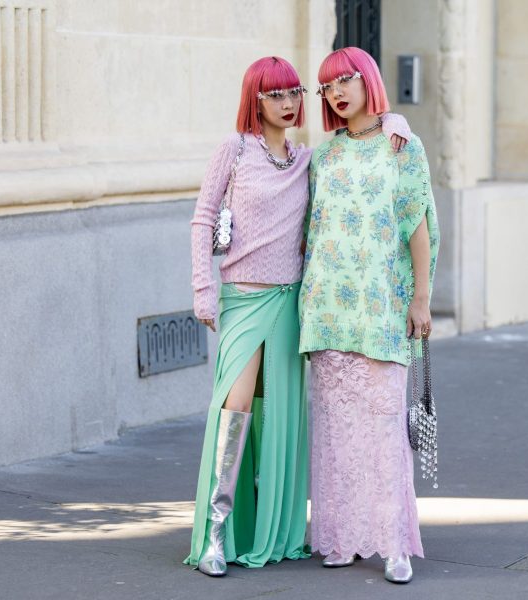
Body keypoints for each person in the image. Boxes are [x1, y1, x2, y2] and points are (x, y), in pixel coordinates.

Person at [184, 55, 410, 577]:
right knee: (236, 402)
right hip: (243, 299)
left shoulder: (309, 159)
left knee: (280, 417)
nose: (288, 104)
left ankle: (273, 532)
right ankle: (215, 535)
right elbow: (202, 218)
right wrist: (202, 289)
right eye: (275, 95)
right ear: (255, 99)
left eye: (294, 93)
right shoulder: (235, 149)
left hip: (292, 305)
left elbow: (368, 135)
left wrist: (395, 119)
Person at [298, 47, 440, 584]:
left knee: (383, 431)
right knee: (336, 433)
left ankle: (393, 544)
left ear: (368, 81)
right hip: (328, 310)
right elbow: (309, 230)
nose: (336, 93)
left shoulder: (403, 145)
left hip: (381, 308)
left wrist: (421, 297)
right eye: (327, 86)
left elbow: (416, 223)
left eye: (345, 81)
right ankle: (343, 538)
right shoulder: (324, 155)